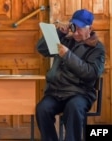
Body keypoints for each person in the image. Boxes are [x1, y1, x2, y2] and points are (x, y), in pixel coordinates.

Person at [35, 9, 105, 141]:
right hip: (56, 92)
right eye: (74, 28)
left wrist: (68, 55)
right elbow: (42, 49)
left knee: (73, 108)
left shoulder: (97, 48)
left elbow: (91, 73)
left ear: (89, 28)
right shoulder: (65, 41)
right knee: (42, 109)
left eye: (80, 29)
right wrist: (59, 33)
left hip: (80, 93)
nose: (76, 32)